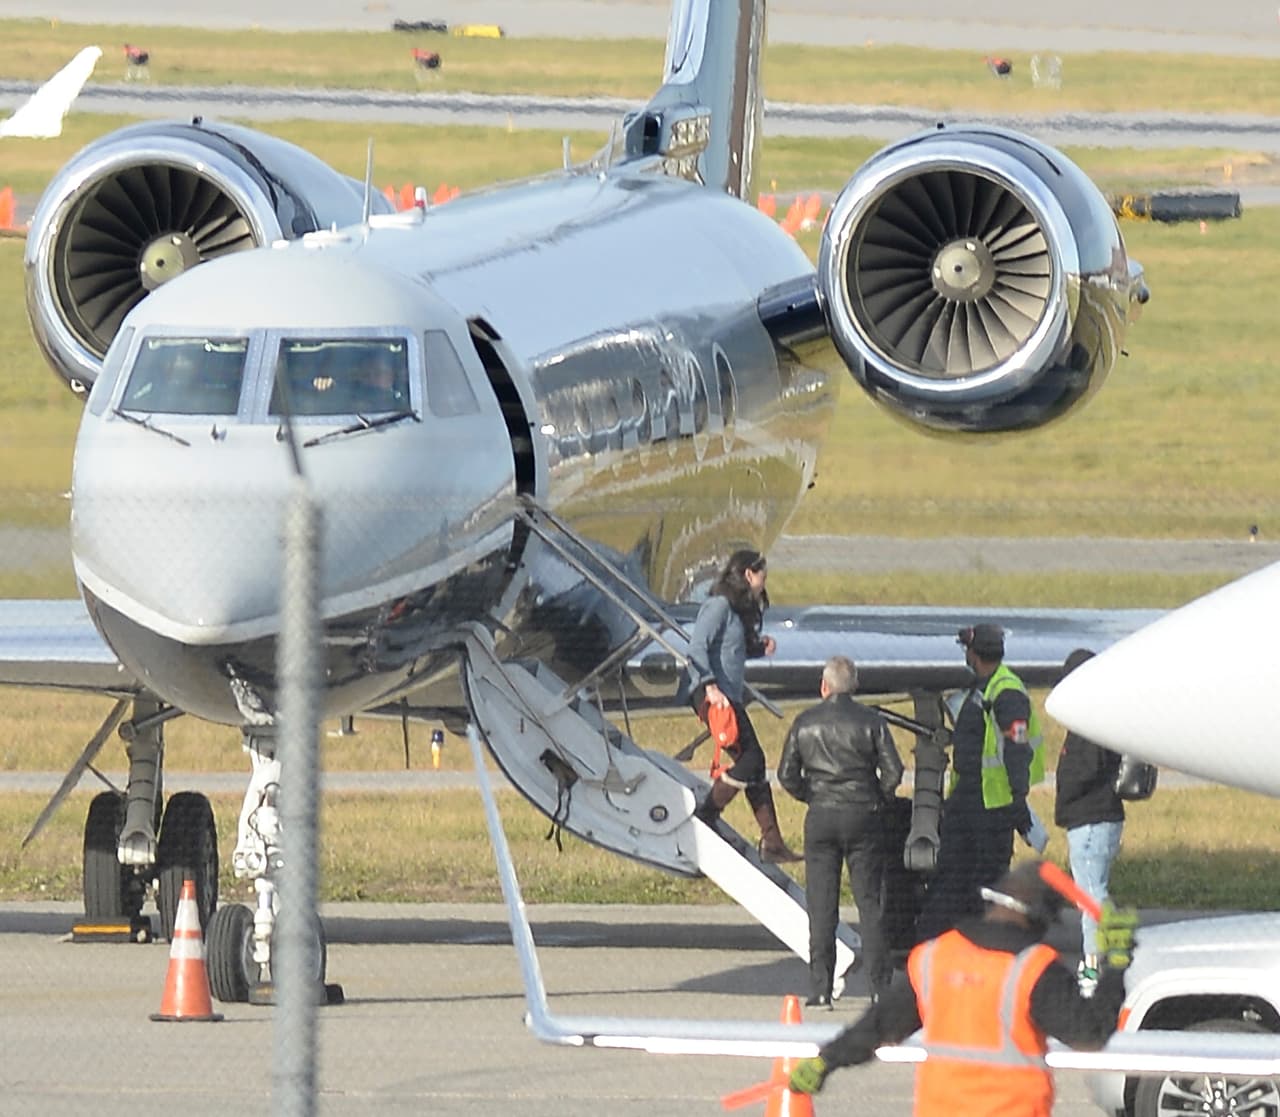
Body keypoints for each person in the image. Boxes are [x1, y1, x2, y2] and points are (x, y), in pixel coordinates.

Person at [788, 860, 1137, 1117]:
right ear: (1038, 918)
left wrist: (826, 1060)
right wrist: (1115, 964)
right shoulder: (1034, 968)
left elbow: (879, 1025)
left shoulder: (934, 957)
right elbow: (1090, 1033)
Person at [777, 654, 904, 1009]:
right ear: (855, 686)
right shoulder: (872, 722)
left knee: (821, 906)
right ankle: (880, 987)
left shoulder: (805, 723)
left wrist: (813, 795)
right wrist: (876, 796)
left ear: (824, 686)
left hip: (821, 817)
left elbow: (787, 775)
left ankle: (821, 987)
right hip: (864, 815)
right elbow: (894, 769)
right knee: (870, 904)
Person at [915, 623, 1045, 940]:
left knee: (983, 885)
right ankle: (941, 944)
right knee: (953, 881)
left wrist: (1017, 800)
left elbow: (1017, 746)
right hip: (970, 803)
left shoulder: (1005, 692)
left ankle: (974, 946)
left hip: (992, 806)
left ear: (974, 654)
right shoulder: (983, 687)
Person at [681, 549, 800, 864]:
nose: (765, 582)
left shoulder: (736, 609)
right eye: (763, 575)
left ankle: (773, 842)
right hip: (712, 696)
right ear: (749, 574)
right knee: (752, 759)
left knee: (756, 766)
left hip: (728, 695)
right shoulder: (718, 605)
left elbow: (731, 649)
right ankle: (706, 816)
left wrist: (759, 647)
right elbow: (697, 647)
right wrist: (709, 686)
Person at [1053, 648, 1125, 996]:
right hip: (1097, 819)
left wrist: (1066, 790)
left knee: (1090, 899)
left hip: (1090, 820)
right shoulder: (1106, 713)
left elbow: (1089, 767)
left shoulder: (1089, 720)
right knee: (1094, 895)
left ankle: (1094, 967)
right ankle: (1110, 955)